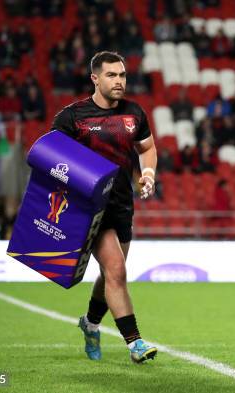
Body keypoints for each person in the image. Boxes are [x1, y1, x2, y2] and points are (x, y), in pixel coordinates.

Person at [51, 51, 158, 364]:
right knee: (116, 270)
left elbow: (148, 148)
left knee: (112, 273)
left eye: (122, 75)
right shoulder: (72, 117)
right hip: (89, 208)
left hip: (123, 204)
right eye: (112, 75)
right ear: (95, 78)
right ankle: (135, 342)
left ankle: (90, 322)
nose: (119, 81)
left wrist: (148, 173)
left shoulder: (134, 113)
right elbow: (51, 159)